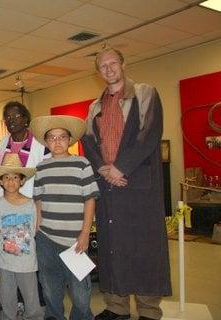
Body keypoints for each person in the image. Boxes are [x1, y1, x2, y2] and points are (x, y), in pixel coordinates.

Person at [81, 47, 172, 320]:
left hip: (138, 185)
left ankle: (148, 310)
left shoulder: (145, 93)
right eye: (102, 66)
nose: (108, 69)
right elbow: (87, 141)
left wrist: (121, 167)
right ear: (98, 72)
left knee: (144, 246)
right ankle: (116, 307)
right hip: (107, 185)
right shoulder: (94, 107)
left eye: (112, 63)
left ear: (123, 63)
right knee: (111, 245)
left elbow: (151, 133)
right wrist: (102, 168)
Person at [30, 115, 100, 320]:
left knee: (80, 291)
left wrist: (85, 233)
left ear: (70, 140)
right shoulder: (41, 167)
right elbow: (39, 199)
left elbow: (90, 200)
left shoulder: (82, 164)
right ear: (46, 142)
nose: (57, 141)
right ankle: (54, 316)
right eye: (52, 138)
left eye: (62, 137)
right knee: (50, 286)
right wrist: (37, 226)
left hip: (75, 239)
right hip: (46, 238)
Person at [0, 153, 44, 320]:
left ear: (22, 181)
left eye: (14, 177)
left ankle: (34, 316)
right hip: (5, 257)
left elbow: (35, 229)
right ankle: (8, 316)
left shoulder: (31, 204)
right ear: (1, 182)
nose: (10, 181)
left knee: (30, 290)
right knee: (6, 290)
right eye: (6, 178)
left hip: (26, 258)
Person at [0, 101, 49, 197]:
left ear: (26, 119)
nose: (11, 120)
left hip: (31, 199)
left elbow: (47, 173)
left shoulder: (40, 143)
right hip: (5, 200)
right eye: (8, 117)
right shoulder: (2, 143)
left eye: (17, 116)